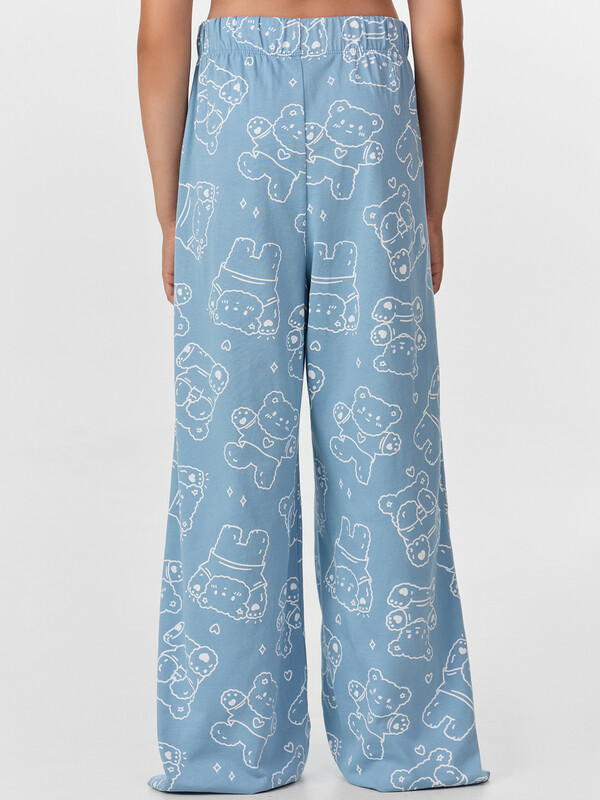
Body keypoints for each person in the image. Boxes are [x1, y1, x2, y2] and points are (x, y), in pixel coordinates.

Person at [137, 0, 490, 793]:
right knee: (386, 448)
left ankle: (225, 748)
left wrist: (170, 213)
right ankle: (408, 741)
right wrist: (430, 204)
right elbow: (441, 31)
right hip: (370, 109)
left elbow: (159, 37)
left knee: (227, 454)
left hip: (233, 118)